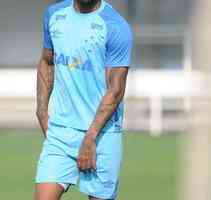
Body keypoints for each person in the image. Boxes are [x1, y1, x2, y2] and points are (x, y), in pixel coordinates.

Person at [35, 0, 133, 199]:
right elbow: (47, 61)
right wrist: (42, 110)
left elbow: (116, 91)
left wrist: (90, 137)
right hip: (61, 132)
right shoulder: (54, 15)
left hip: (102, 135)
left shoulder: (115, 26)